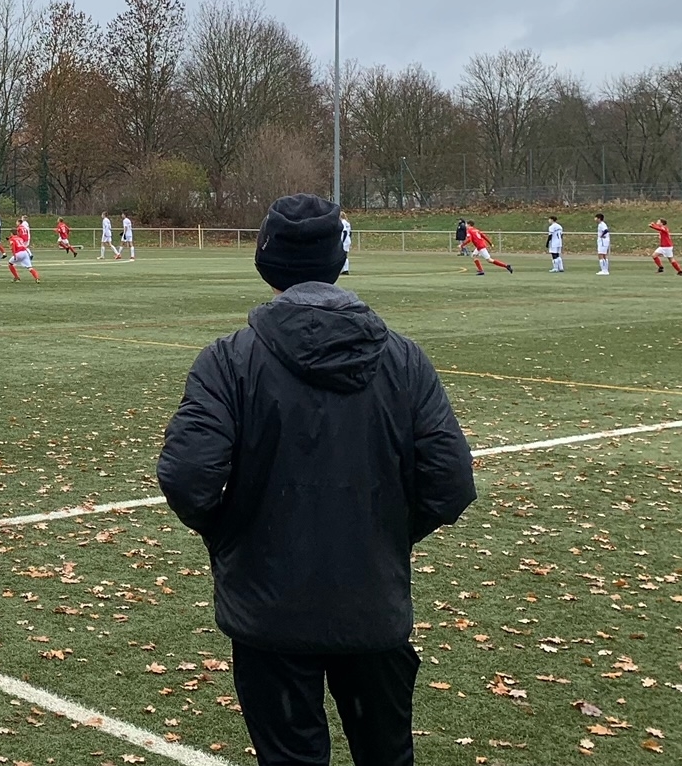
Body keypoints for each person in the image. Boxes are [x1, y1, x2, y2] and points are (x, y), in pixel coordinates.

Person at [157, 193, 475, 766]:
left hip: (271, 611)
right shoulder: (405, 360)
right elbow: (449, 481)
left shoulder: (228, 360)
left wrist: (232, 534)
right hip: (370, 603)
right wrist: (387, 533)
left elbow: (187, 476)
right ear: (337, 259)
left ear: (266, 260)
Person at [339, 210, 352, 275]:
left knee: (343, 255)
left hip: (345, 241)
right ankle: (344, 269)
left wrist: (343, 241)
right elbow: (350, 232)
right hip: (347, 240)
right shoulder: (347, 223)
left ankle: (345, 270)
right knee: (344, 255)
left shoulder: (343, 222)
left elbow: (345, 232)